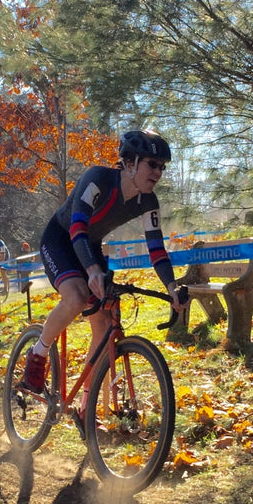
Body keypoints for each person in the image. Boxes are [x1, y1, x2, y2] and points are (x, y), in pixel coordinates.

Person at [20, 130, 187, 394]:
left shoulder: (148, 201)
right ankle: (38, 353)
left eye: (162, 167)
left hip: (89, 245)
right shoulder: (97, 179)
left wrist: (172, 287)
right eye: (152, 164)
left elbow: (156, 249)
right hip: (61, 239)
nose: (158, 172)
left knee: (105, 322)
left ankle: (86, 404)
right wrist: (93, 270)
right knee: (77, 296)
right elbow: (77, 227)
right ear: (130, 163)